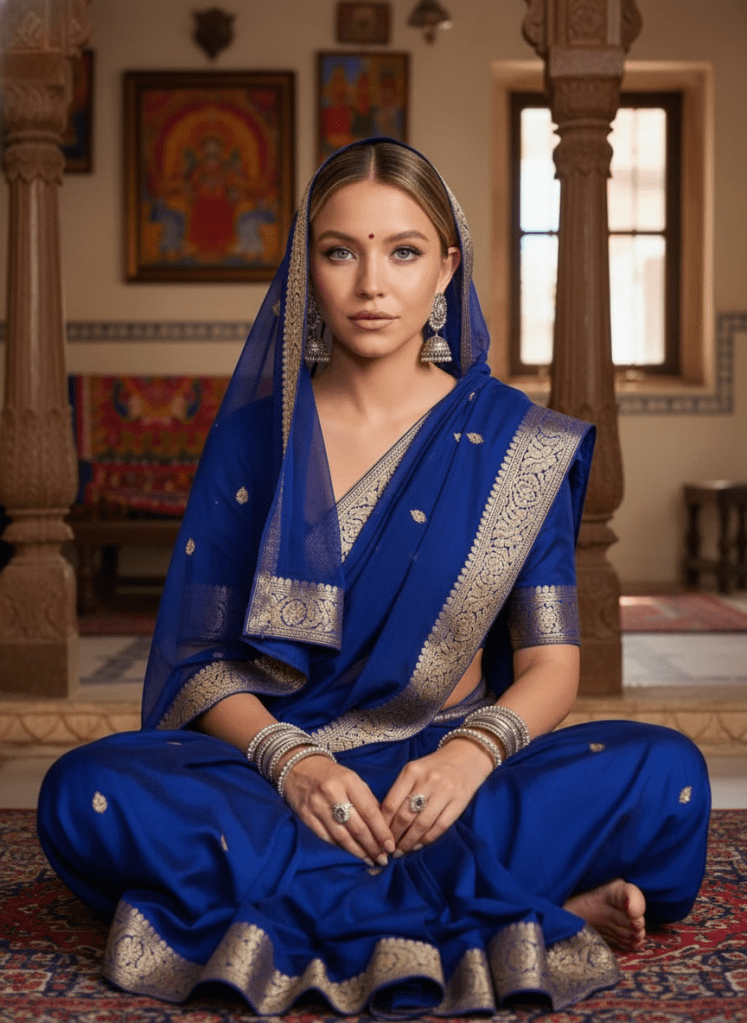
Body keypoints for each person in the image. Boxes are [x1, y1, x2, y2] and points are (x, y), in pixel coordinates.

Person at [38, 139, 710, 1018]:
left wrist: (471, 755)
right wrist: (295, 764)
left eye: (402, 250)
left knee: (663, 771)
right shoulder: (256, 438)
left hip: (446, 774)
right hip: (285, 777)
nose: (369, 283)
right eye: (338, 250)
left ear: (446, 268)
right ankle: (517, 913)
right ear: (306, 266)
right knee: (85, 793)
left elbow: (552, 663)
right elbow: (201, 659)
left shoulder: (516, 443)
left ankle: (356, 904)